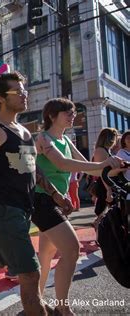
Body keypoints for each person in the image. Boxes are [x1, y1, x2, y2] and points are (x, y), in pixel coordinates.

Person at [0, 72, 73, 316]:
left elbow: (33, 168)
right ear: (0, 98)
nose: (24, 95)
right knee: (31, 274)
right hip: (2, 209)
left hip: (23, 208)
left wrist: (55, 194)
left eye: (24, 91)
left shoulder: (25, 131)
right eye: (17, 92)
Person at [33, 98, 123, 315]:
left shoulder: (65, 139)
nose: (73, 115)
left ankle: (36, 301)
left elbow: (91, 170)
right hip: (42, 200)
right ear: (52, 116)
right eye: (68, 112)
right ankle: (62, 308)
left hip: (56, 201)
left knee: (46, 255)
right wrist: (103, 165)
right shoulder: (43, 138)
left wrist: (114, 169)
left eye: (73, 112)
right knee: (72, 250)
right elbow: (62, 163)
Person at [92, 128, 119, 219]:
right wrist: (109, 190)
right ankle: (99, 230)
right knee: (101, 213)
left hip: (108, 184)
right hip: (105, 185)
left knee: (109, 212)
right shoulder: (101, 150)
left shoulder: (105, 150)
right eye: (114, 138)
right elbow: (102, 172)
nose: (115, 141)